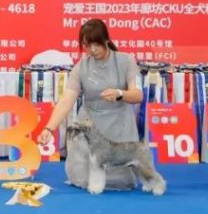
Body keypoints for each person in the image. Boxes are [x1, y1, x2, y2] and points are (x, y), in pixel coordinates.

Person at [37, 18, 144, 191]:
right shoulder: (80, 67)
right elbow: (66, 101)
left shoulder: (126, 61)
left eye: (96, 44)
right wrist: (49, 128)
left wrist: (120, 94)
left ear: (106, 40)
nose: (92, 50)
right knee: (81, 179)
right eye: (87, 46)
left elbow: (138, 95)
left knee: (121, 181)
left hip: (119, 127)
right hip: (89, 128)